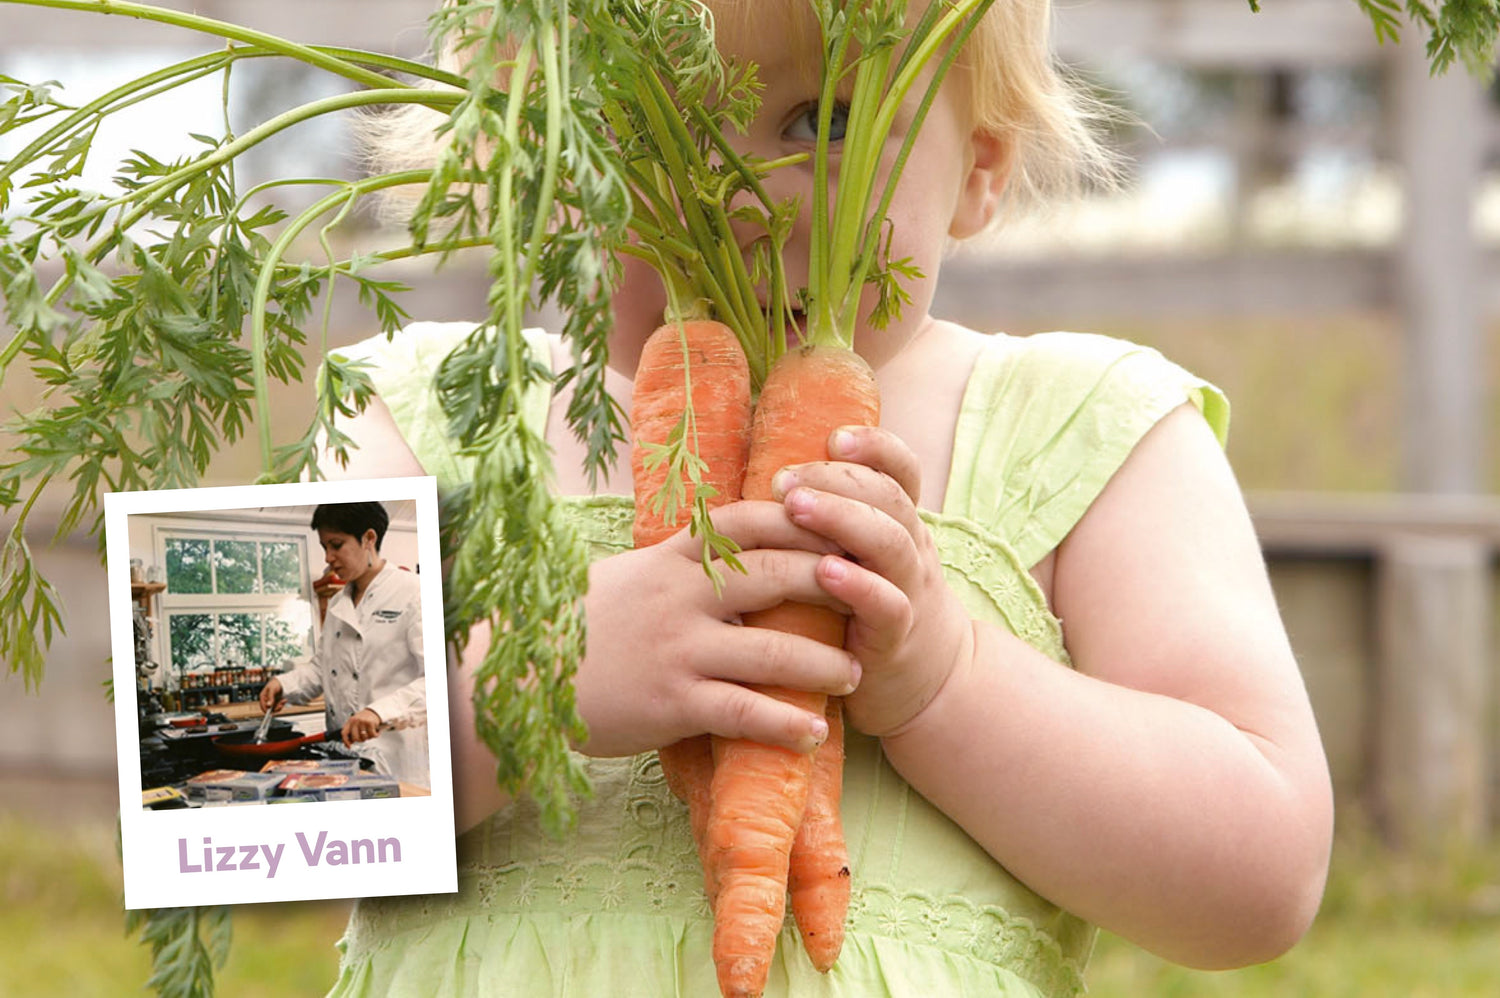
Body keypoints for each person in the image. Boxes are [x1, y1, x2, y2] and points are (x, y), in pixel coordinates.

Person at [321, 2, 1333, 994]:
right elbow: (221, 785)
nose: (731, 198)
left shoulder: (1085, 429)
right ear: (528, 160)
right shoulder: (420, 405)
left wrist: (950, 680)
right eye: (640, 128)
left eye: (823, 122)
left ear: (980, 166)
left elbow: (1262, 877)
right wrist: (530, 679)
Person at [260, 502, 429, 788]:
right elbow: (324, 666)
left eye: (336, 545)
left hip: (399, 760)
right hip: (345, 761)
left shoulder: (414, 592)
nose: (329, 558)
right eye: (325, 546)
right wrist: (283, 684)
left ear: (369, 538)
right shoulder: (338, 602)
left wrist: (379, 712)